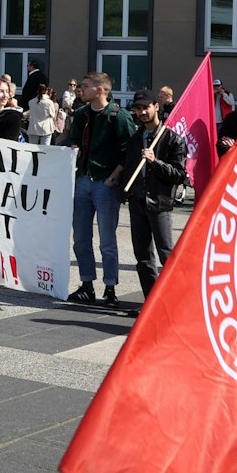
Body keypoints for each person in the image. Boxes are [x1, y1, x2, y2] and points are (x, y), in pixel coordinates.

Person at [60, 73, 135, 309]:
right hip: (83, 179)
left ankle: (110, 287)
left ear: (100, 90)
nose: (80, 89)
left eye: (85, 86)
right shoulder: (82, 114)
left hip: (104, 182)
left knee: (107, 240)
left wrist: (113, 178)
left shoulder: (118, 116)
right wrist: (73, 148)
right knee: (81, 238)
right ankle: (87, 285)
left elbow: (129, 151)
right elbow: (73, 139)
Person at [119, 89, 187, 309]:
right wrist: (124, 190)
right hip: (138, 203)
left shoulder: (172, 139)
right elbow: (129, 167)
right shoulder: (135, 138)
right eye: (138, 109)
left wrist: (155, 162)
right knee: (143, 257)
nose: (142, 112)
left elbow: (179, 174)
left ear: (156, 107)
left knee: (166, 254)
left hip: (160, 204)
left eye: (146, 107)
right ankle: (151, 305)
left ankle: (176, 304)